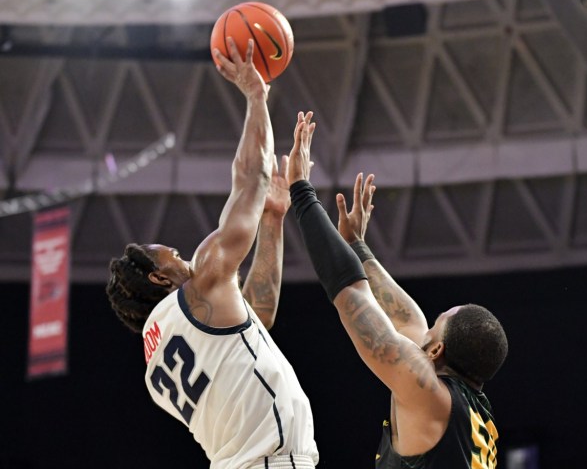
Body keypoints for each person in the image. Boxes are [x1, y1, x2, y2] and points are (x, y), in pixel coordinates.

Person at [105, 37, 319, 469]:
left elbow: (260, 313)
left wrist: (273, 219)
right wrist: (256, 95)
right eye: (173, 254)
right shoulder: (200, 285)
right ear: (158, 277)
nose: (185, 257)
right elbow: (250, 179)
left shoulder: (155, 365)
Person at [286, 119, 508, 468]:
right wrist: (357, 246)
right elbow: (407, 320)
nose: (425, 329)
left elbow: (352, 294)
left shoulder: (429, 396)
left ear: (436, 350)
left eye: (435, 326)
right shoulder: (471, 408)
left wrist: (300, 191)